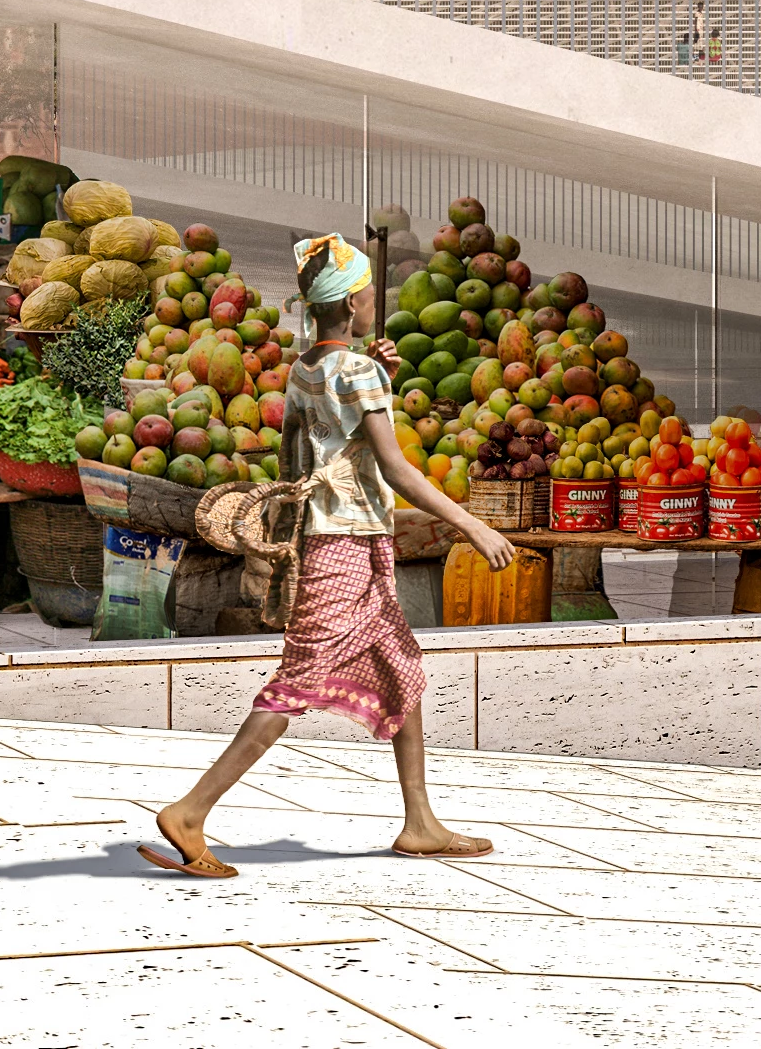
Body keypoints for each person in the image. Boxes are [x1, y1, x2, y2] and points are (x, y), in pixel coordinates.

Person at [139, 233, 513, 881]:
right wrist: (467, 524)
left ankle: (419, 823)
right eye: (369, 291)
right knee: (295, 683)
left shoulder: (309, 368)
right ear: (354, 300)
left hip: (334, 539)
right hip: (346, 547)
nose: (374, 301)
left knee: (401, 669)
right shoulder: (356, 371)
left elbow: (293, 464)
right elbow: (394, 467)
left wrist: (378, 390)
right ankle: (191, 811)